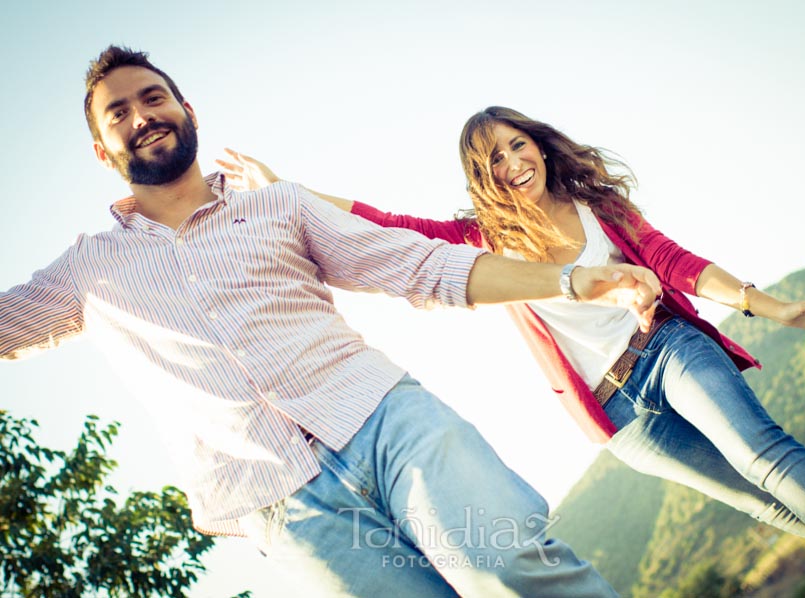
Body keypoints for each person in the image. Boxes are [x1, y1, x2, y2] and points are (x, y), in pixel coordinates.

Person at [0, 50, 687, 598]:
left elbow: (421, 266)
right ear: (101, 148)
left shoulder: (278, 206)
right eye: (118, 112)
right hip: (281, 502)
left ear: (187, 109)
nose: (143, 116)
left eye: (153, 97)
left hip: (389, 426)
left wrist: (568, 279)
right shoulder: (88, 270)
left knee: (512, 570)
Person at [219, 105, 805, 596]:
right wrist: (287, 190)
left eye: (517, 146)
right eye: (494, 161)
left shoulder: (599, 206)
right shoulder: (481, 238)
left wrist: (776, 307)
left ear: (539, 145)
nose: (512, 164)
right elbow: (383, 225)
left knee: (762, 456)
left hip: (665, 347)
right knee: (758, 502)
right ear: (483, 178)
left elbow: (677, 262)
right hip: (617, 418)